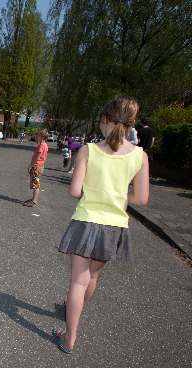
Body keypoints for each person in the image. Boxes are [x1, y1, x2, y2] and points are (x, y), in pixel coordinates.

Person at [53, 94, 149, 354]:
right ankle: (75, 313)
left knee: (77, 282)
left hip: (86, 222)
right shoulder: (140, 156)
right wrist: (117, 196)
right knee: (92, 277)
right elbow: (140, 198)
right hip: (115, 226)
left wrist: (95, 193)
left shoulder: (89, 150)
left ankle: (69, 336)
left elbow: (75, 191)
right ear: (130, 125)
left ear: (105, 121)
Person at [23, 129, 49, 207]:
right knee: (35, 183)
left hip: (36, 166)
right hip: (40, 165)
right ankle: (33, 199)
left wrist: (30, 165)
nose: (36, 138)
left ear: (42, 137)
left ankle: (34, 201)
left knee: (35, 184)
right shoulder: (45, 145)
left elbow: (38, 157)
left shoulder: (41, 145)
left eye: (37, 137)